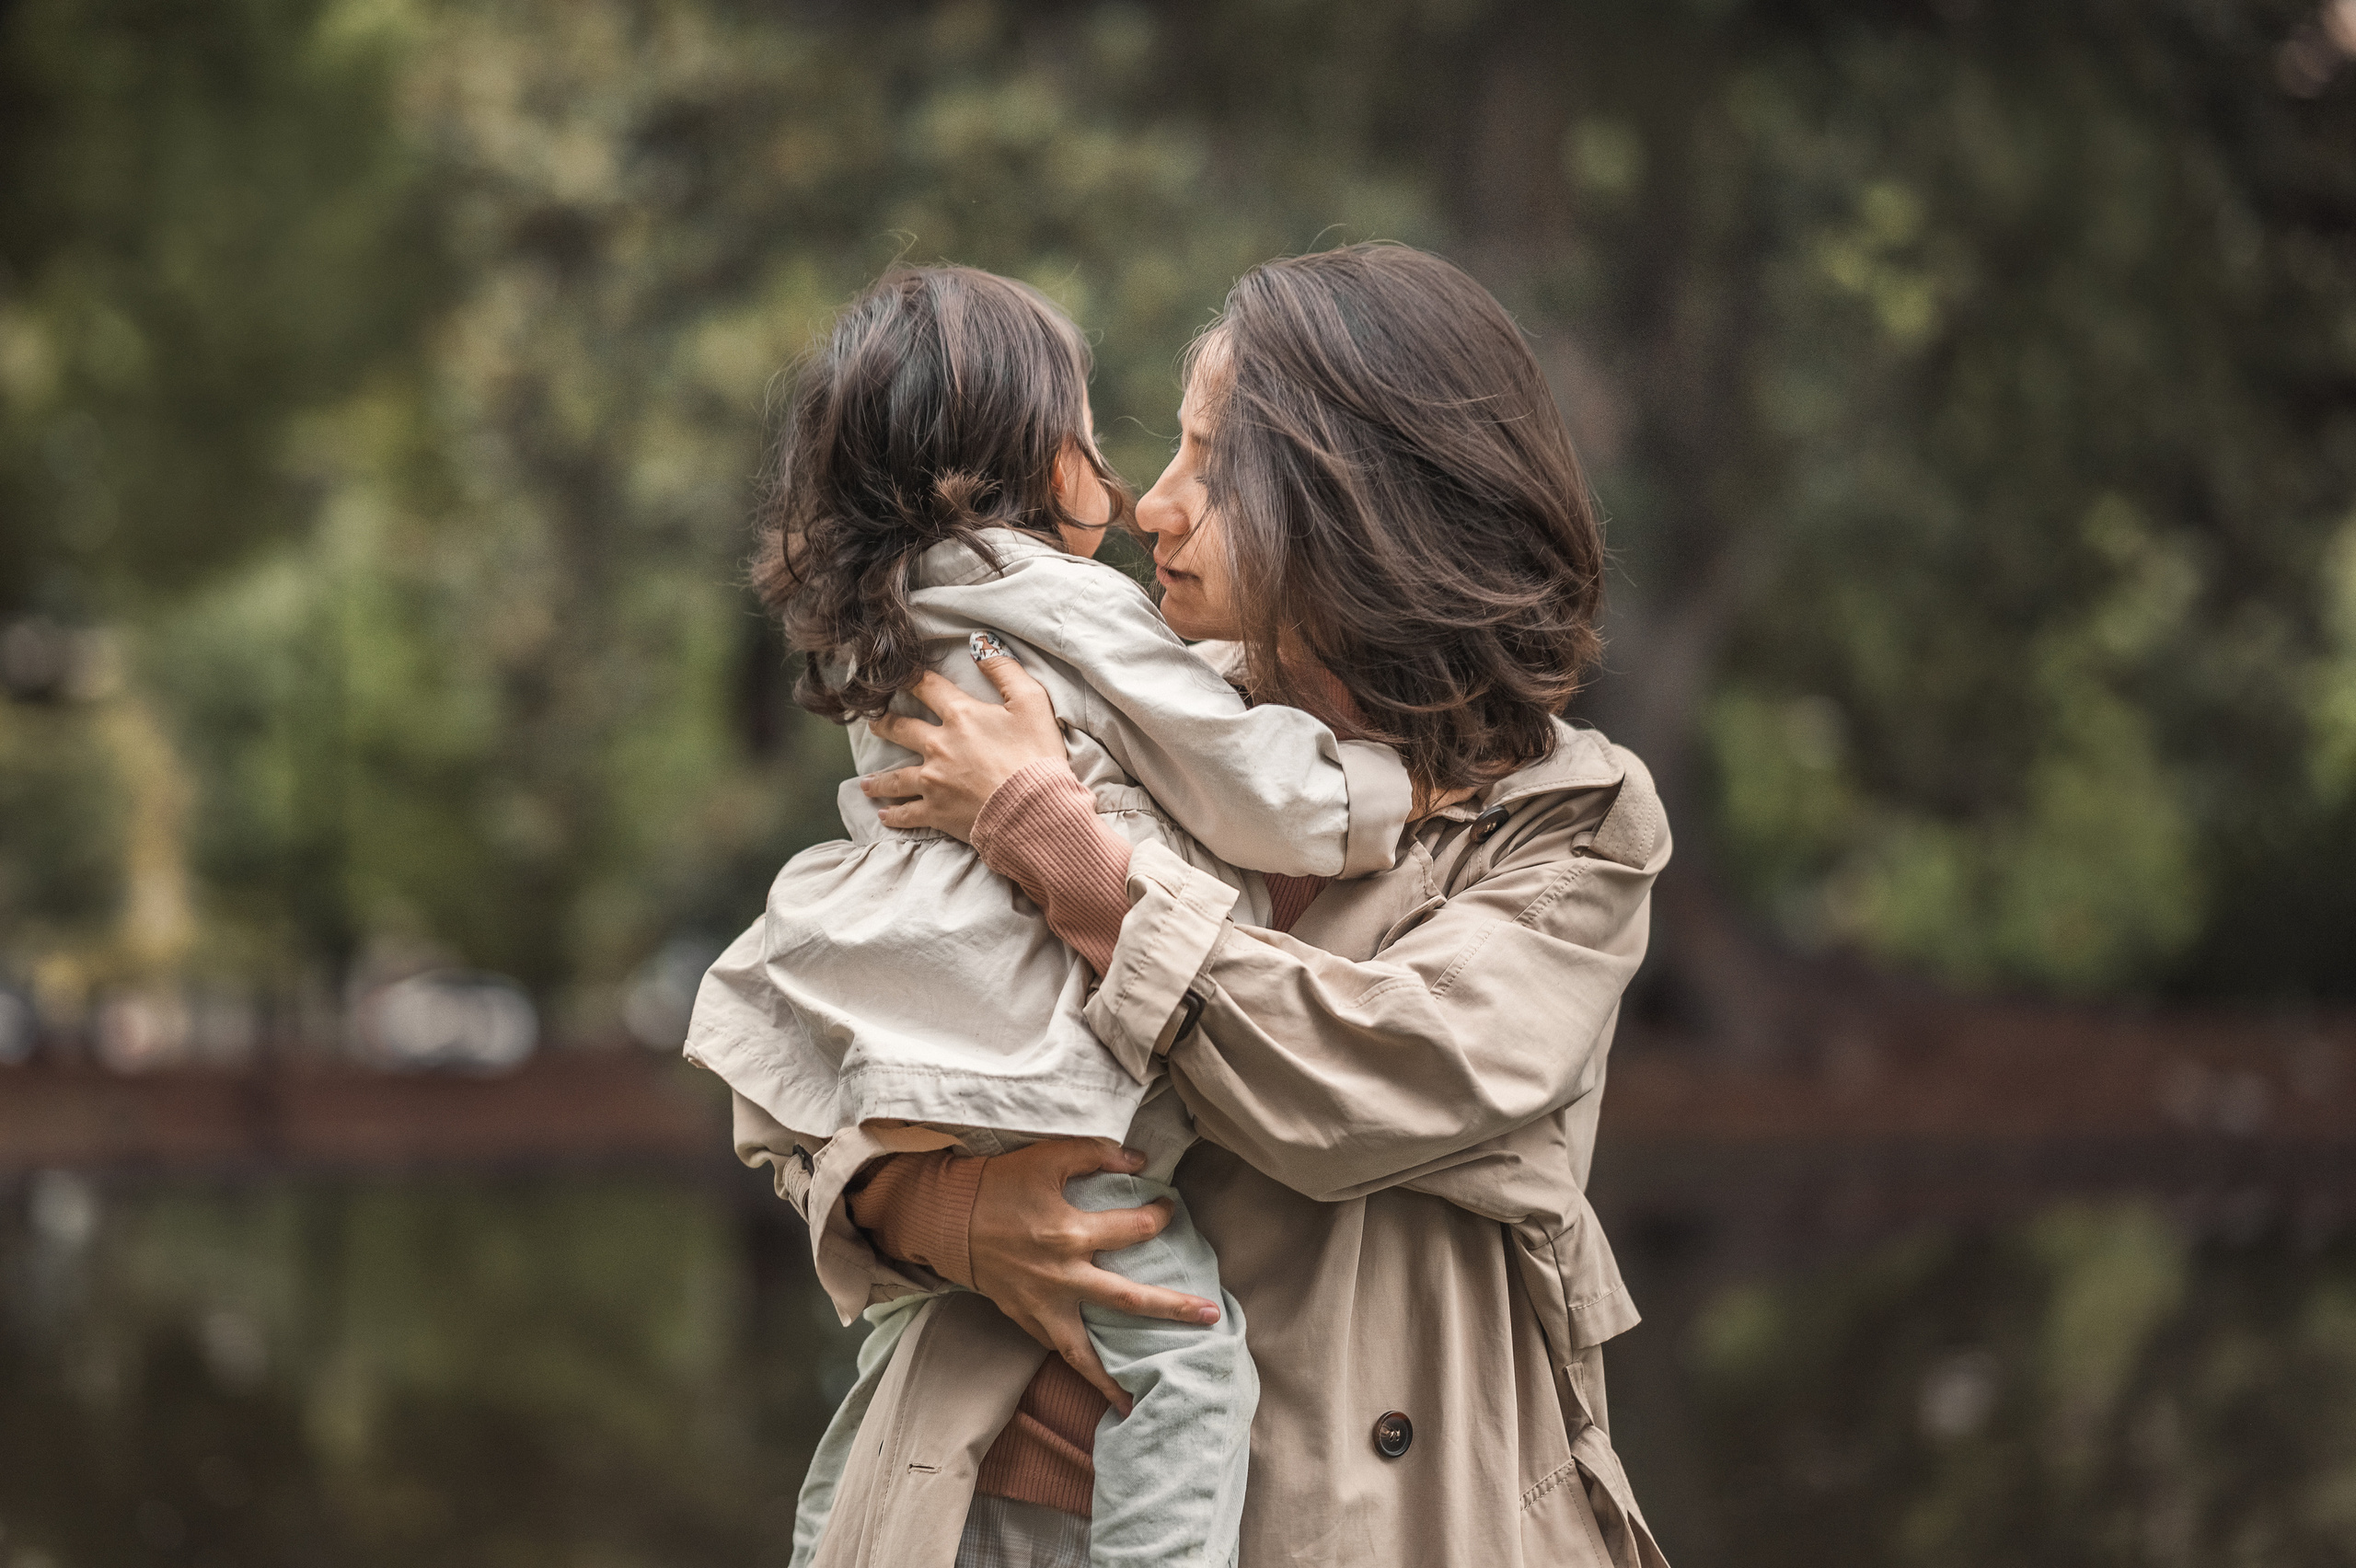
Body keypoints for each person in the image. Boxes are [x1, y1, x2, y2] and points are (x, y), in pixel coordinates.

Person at [743, 242, 1678, 1568]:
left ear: (1353, 495)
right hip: (979, 1518)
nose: (1148, 507)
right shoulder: (1099, 703)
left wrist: (1076, 866)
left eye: (1204, 463)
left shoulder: (1565, 820)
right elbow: (825, 1032)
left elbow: (1381, 1077)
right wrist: (941, 1214)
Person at [686, 265, 1415, 1568]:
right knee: (1183, 1372)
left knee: (895, 1361)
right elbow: (1252, 787)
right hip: (1034, 1065)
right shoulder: (1057, 602)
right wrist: (1378, 788)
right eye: (1094, 435)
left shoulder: (892, 615)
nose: (1131, 494)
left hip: (913, 1045)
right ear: (1018, 457)